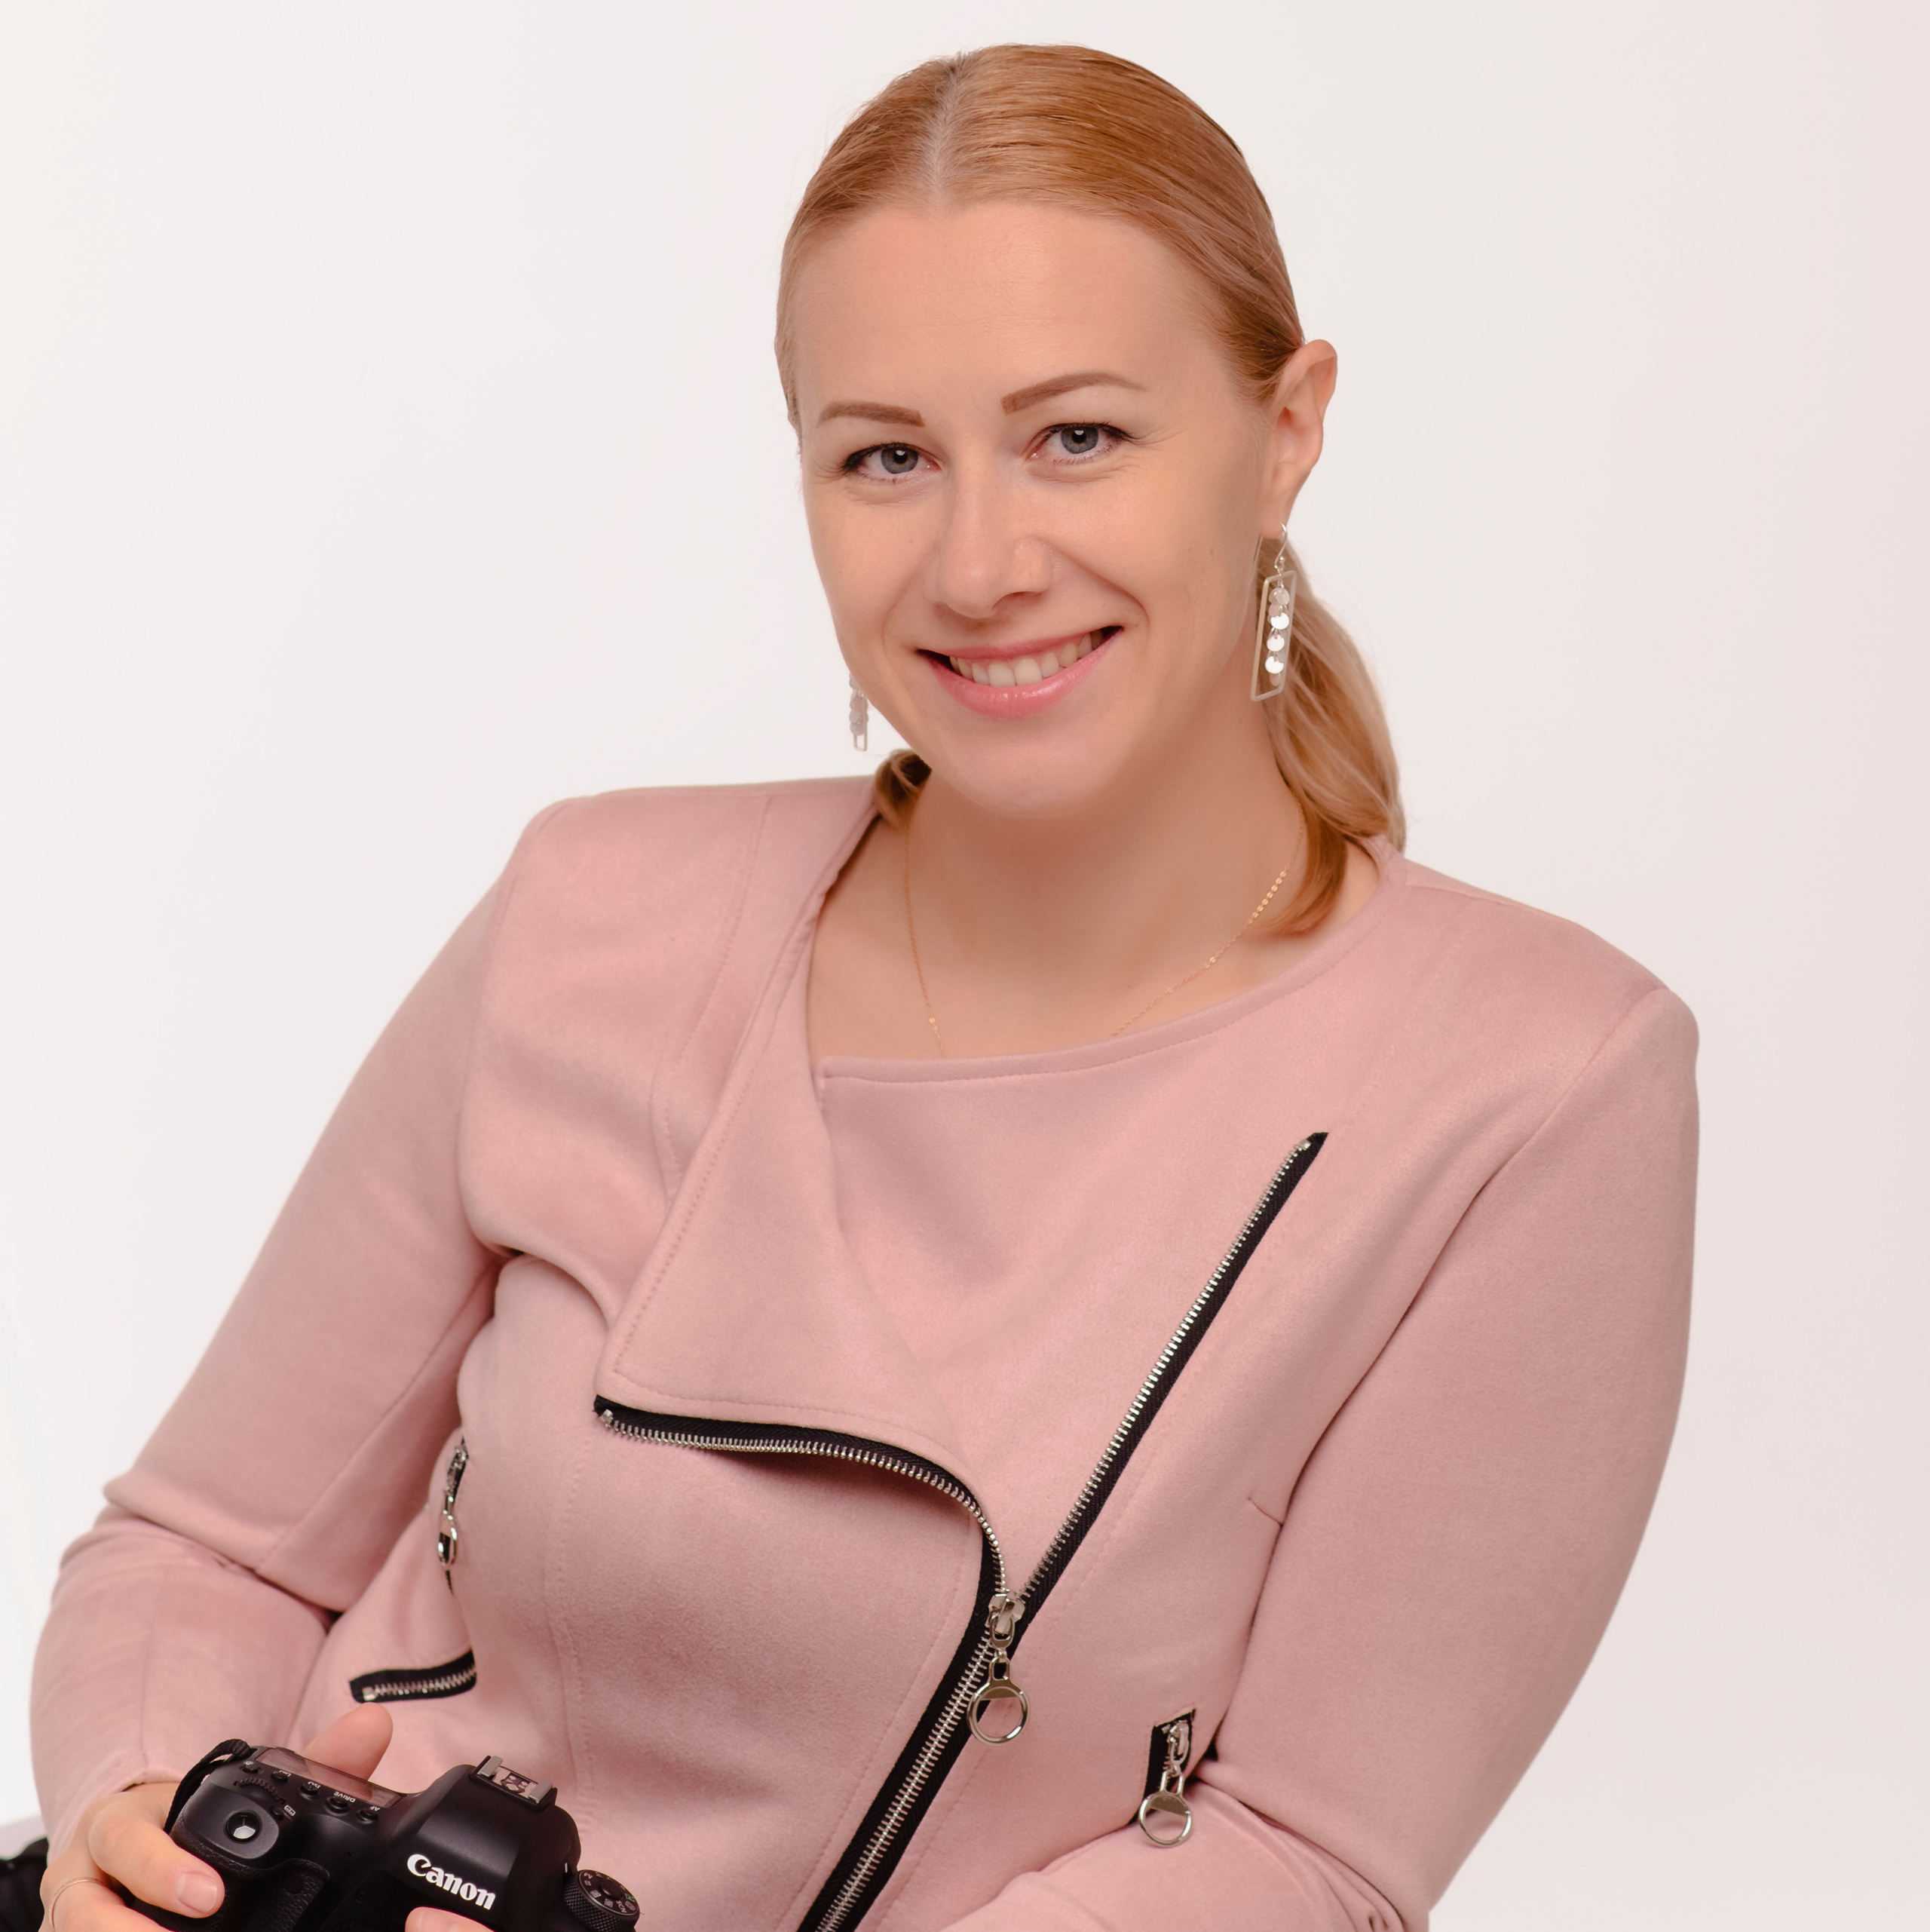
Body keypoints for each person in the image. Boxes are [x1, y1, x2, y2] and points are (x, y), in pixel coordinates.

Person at [29, 43, 1696, 1932]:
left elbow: (1309, 1855)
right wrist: (140, 1813)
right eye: (885, 456)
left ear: (1287, 426)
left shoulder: (1536, 1081)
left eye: (1078, 435)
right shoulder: (593, 910)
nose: (979, 564)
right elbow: (205, 1550)